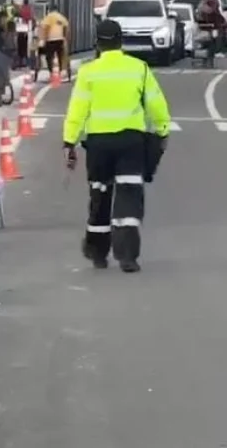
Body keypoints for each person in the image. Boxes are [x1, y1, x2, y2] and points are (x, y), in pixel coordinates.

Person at [62, 19, 172, 273]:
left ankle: (97, 252)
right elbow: (156, 104)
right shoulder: (139, 69)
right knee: (129, 197)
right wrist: (163, 130)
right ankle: (127, 256)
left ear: (98, 44)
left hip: (98, 144)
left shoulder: (89, 72)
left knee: (99, 196)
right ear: (121, 42)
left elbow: (77, 109)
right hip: (131, 143)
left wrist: (69, 141)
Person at [40, 4, 70, 78]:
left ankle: (51, 72)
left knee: (49, 57)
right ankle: (61, 71)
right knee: (60, 55)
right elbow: (66, 27)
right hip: (60, 39)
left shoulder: (49, 17)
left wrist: (44, 39)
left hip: (51, 40)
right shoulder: (61, 17)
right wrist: (65, 38)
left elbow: (46, 27)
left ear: (50, 10)